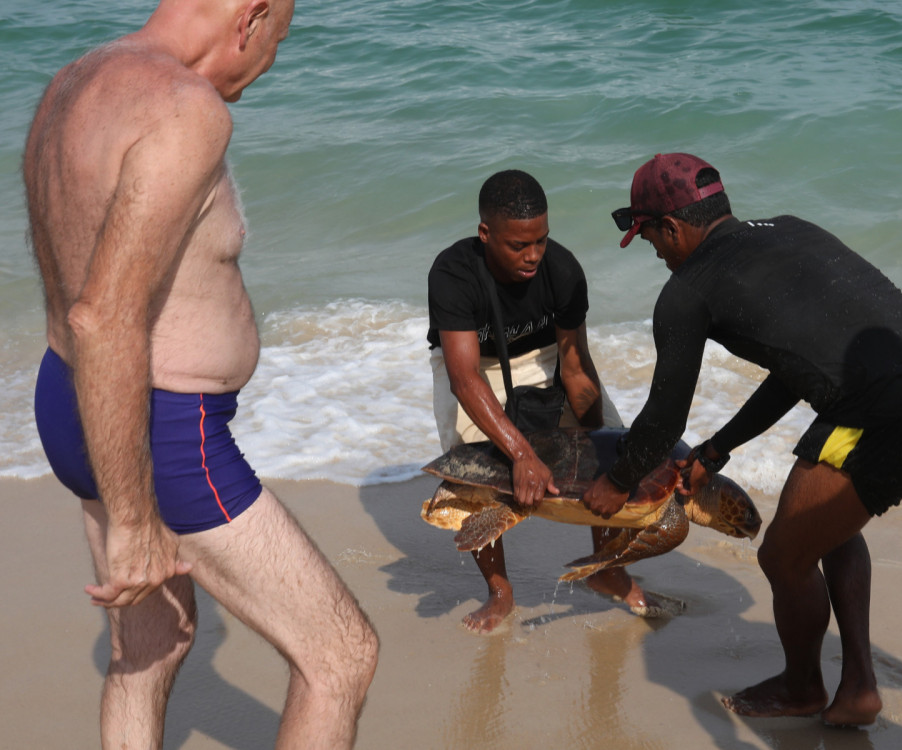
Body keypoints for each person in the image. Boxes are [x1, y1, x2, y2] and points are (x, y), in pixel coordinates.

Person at [24, 1, 379, 747]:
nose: (257, 78)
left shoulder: (72, 82)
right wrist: (132, 521)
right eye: (275, 46)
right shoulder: (185, 109)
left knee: (146, 649)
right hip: (162, 430)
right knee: (340, 656)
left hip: (67, 396)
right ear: (251, 18)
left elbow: (66, 271)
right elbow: (105, 312)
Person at [582, 153, 902, 726]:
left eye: (651, 239)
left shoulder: (688, 291)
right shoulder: (791, 230)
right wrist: (715, 451)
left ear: (673, 227)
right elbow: (795, 365)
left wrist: (615, 484)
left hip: (877, 420)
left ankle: (803, 687)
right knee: (830, 529)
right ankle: (858, 685)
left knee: (783, 557)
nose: (656, 254)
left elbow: (662, 421)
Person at [427, 169, 670, 633]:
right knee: (476, 481)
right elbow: (463, 377)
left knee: (612, 453)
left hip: (547, 357)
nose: (533, 255)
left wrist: (597, 440)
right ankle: (500, 592)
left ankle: (606, 570)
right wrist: (520, 453)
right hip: (478, 367)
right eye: (519, 245)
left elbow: (576, 368)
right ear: (485, 234)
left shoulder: (561, 269)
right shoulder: (453, 272)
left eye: (541, 240)